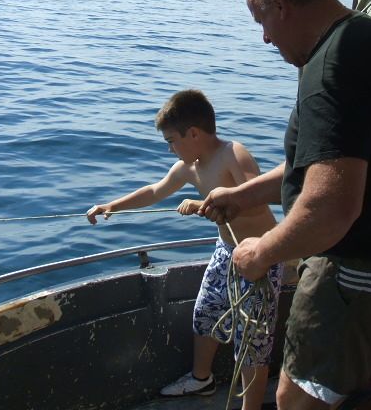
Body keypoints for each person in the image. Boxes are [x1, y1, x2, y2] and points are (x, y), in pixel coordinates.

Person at [199, 0, 371, 410]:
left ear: (280, 4)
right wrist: (241, 195)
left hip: (359, 270)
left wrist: (260, 252)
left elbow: (329, 207)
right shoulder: (362, 42)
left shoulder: (332, 66)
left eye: (262, 21)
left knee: (298, 398)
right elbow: (317, 167)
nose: (265, 37)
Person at [86, 88, 283, 410]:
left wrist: (206, 203)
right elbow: (155, 191)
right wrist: (112, 206)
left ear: (193, 133)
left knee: (252, 341)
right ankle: (201, 379)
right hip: (225, 251)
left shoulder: (233, 154)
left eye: (171, 141)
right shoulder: (188, 167)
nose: (170, 149)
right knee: (205, 314)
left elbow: (258, 201)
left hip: (259, 257)